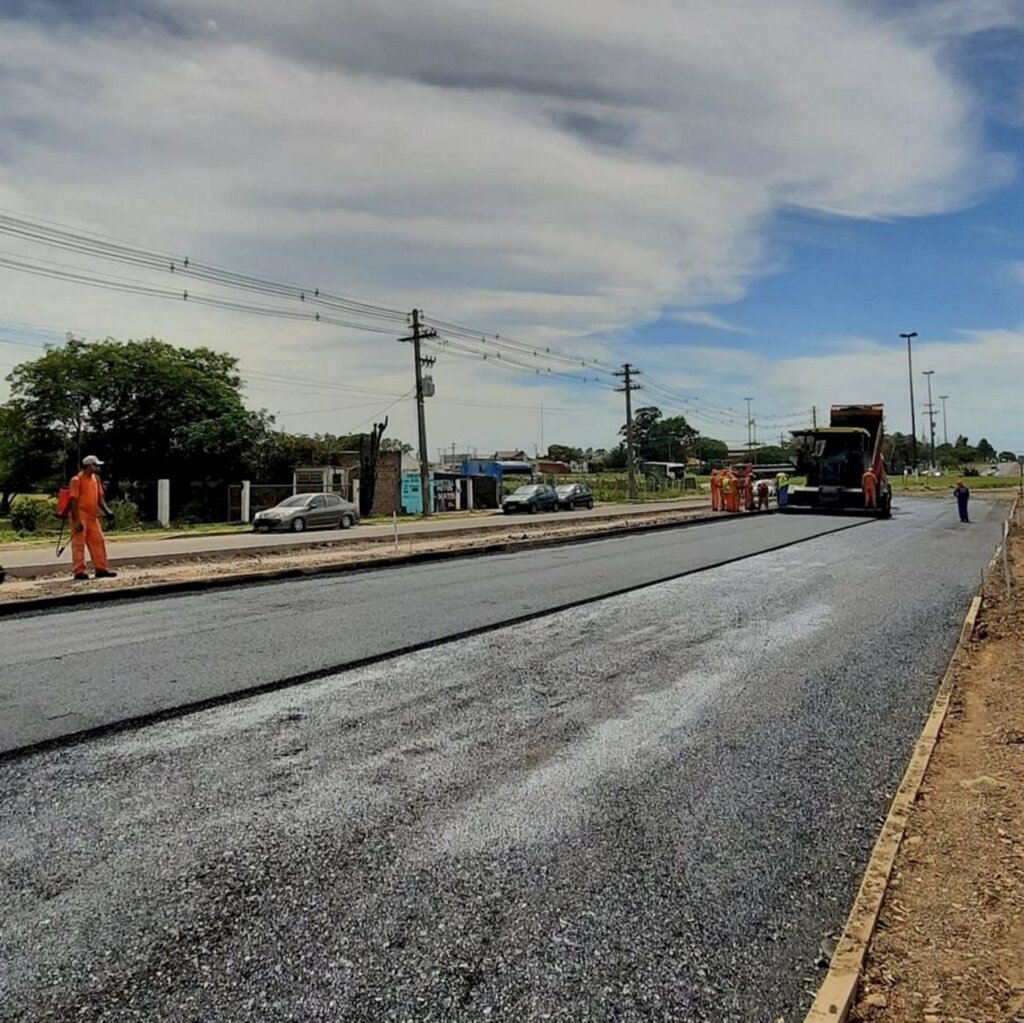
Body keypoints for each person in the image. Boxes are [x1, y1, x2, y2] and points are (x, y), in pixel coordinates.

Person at [69, 455, 117, 580]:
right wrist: (77, 520)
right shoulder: (76, 480)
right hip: (80, 516)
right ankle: (79, 571)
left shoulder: (96, 479)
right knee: (79, 545)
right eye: (96, 465)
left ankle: (101, 569)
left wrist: (107, 511)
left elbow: (99, 498)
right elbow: (73, 501)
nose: (97, 468)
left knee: (98, 542)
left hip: (92, 517)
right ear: (89, 466)